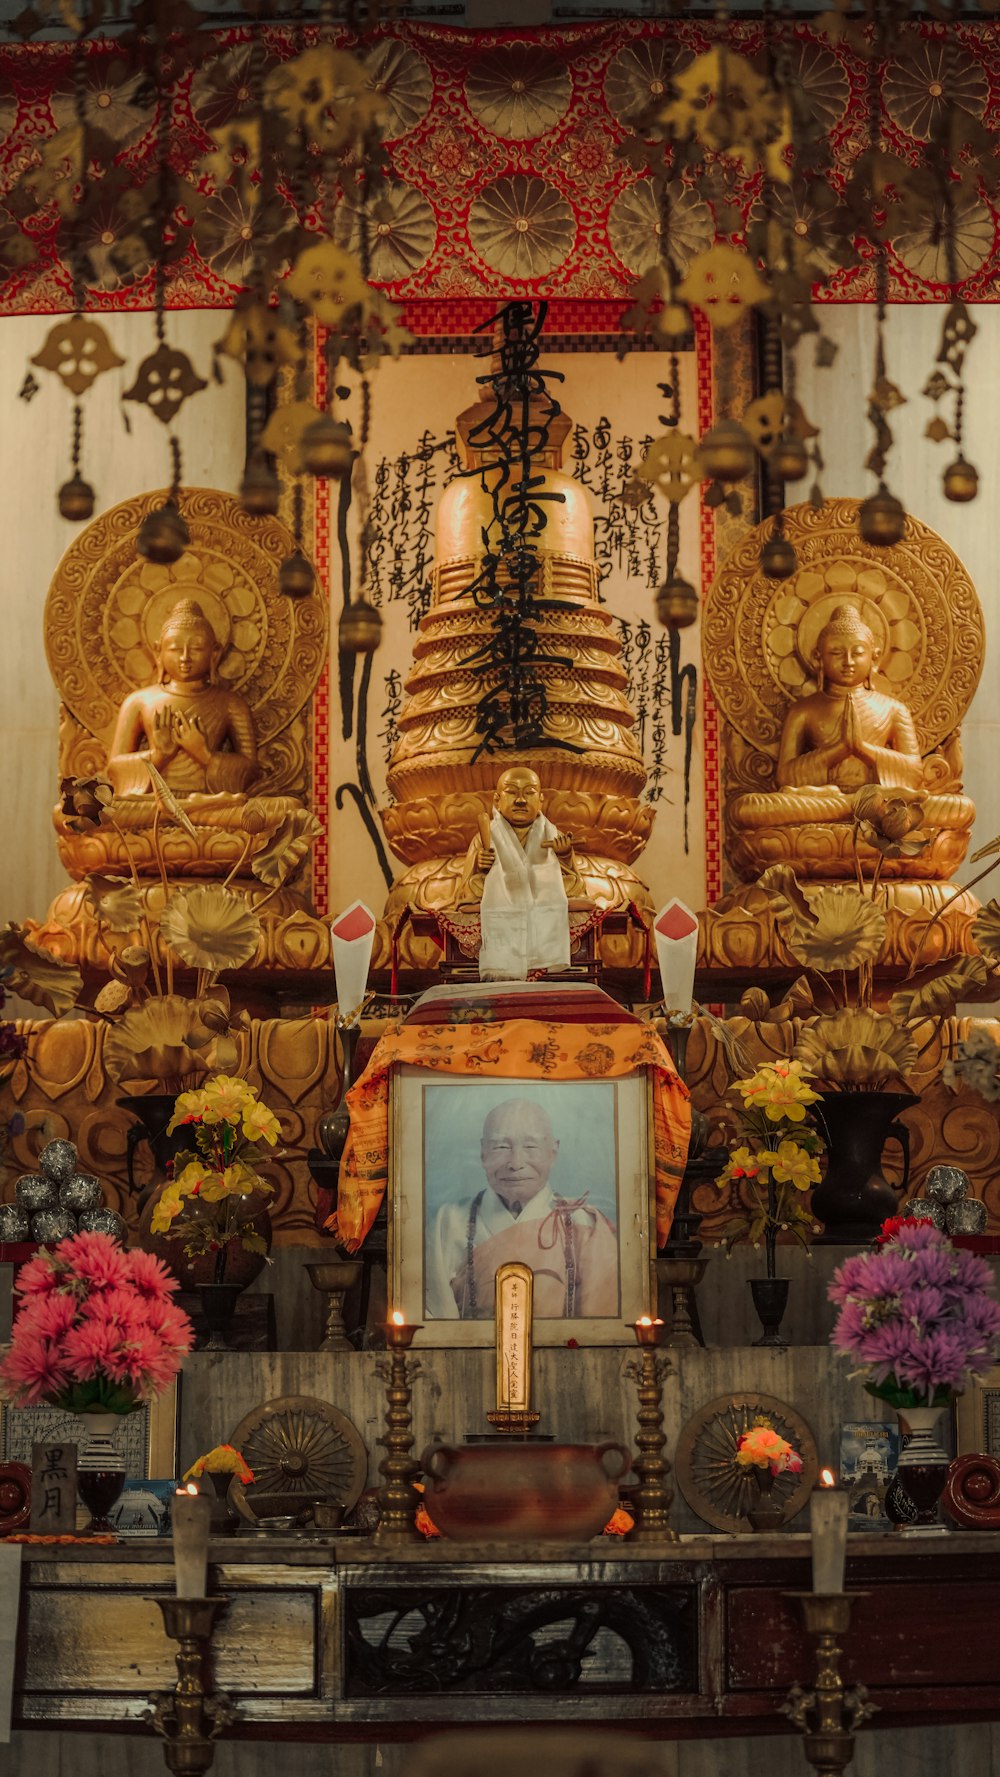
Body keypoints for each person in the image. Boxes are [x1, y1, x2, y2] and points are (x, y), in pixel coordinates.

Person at [424, 1097, 619, 1320]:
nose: (516, 1163)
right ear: (482, 1153)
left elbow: (599, 1330)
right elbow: (437, 1327)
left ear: (552, 1152)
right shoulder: (447, 1222)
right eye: (501, 1147)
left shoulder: (585, 1225)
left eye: (530, 1147)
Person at [107, 598, 260, 798]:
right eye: (175, 649)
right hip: (152, 804)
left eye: (196, 648)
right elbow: (114, 768)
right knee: (71, 815)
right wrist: (159, 755)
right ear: (158, 652)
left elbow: (250, 769)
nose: (185, 657)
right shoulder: (140, 701)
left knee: (284, 808)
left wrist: (204, 755)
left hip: (209, 804)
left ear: (214, 653)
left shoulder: (230, 703)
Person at [776, 603, 924, 794]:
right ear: (818, 658)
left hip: (878, 800)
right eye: (836, 653)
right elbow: (785, 776)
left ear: (875, 658)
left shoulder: (892, 709)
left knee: (960, 807)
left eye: (858, 653)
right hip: (823, 799)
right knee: (750, 808)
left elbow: (914, 773)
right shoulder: (803, 710)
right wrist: (838, 750)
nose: (848, 661)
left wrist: (863, 749)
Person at [455, 765, 585, 980]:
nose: (521, 800)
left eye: (529, 793)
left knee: (569, 886)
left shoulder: (553, 834)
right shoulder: (485, 835)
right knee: (478, 886)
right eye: (512, 792)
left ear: (541, 799)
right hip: (501, 893)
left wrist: (564, 856)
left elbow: (578, 886)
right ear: (497, 799)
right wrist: (481, 865)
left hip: (540, 894)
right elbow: (465, 892)